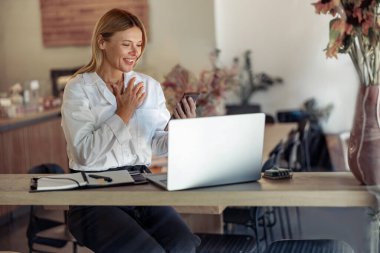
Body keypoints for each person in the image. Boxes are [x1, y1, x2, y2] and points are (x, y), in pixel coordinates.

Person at [61, 8, 199, 253]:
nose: (135, 52)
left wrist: (183, 131)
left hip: (140, 186)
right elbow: (84, 154)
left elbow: (156, 144)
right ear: (102, 42)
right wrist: (123, 113)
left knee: (184, 244)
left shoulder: (149, 86)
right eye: (127, 44)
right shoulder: (79, 88)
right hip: (92, 196)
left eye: (139, 44)